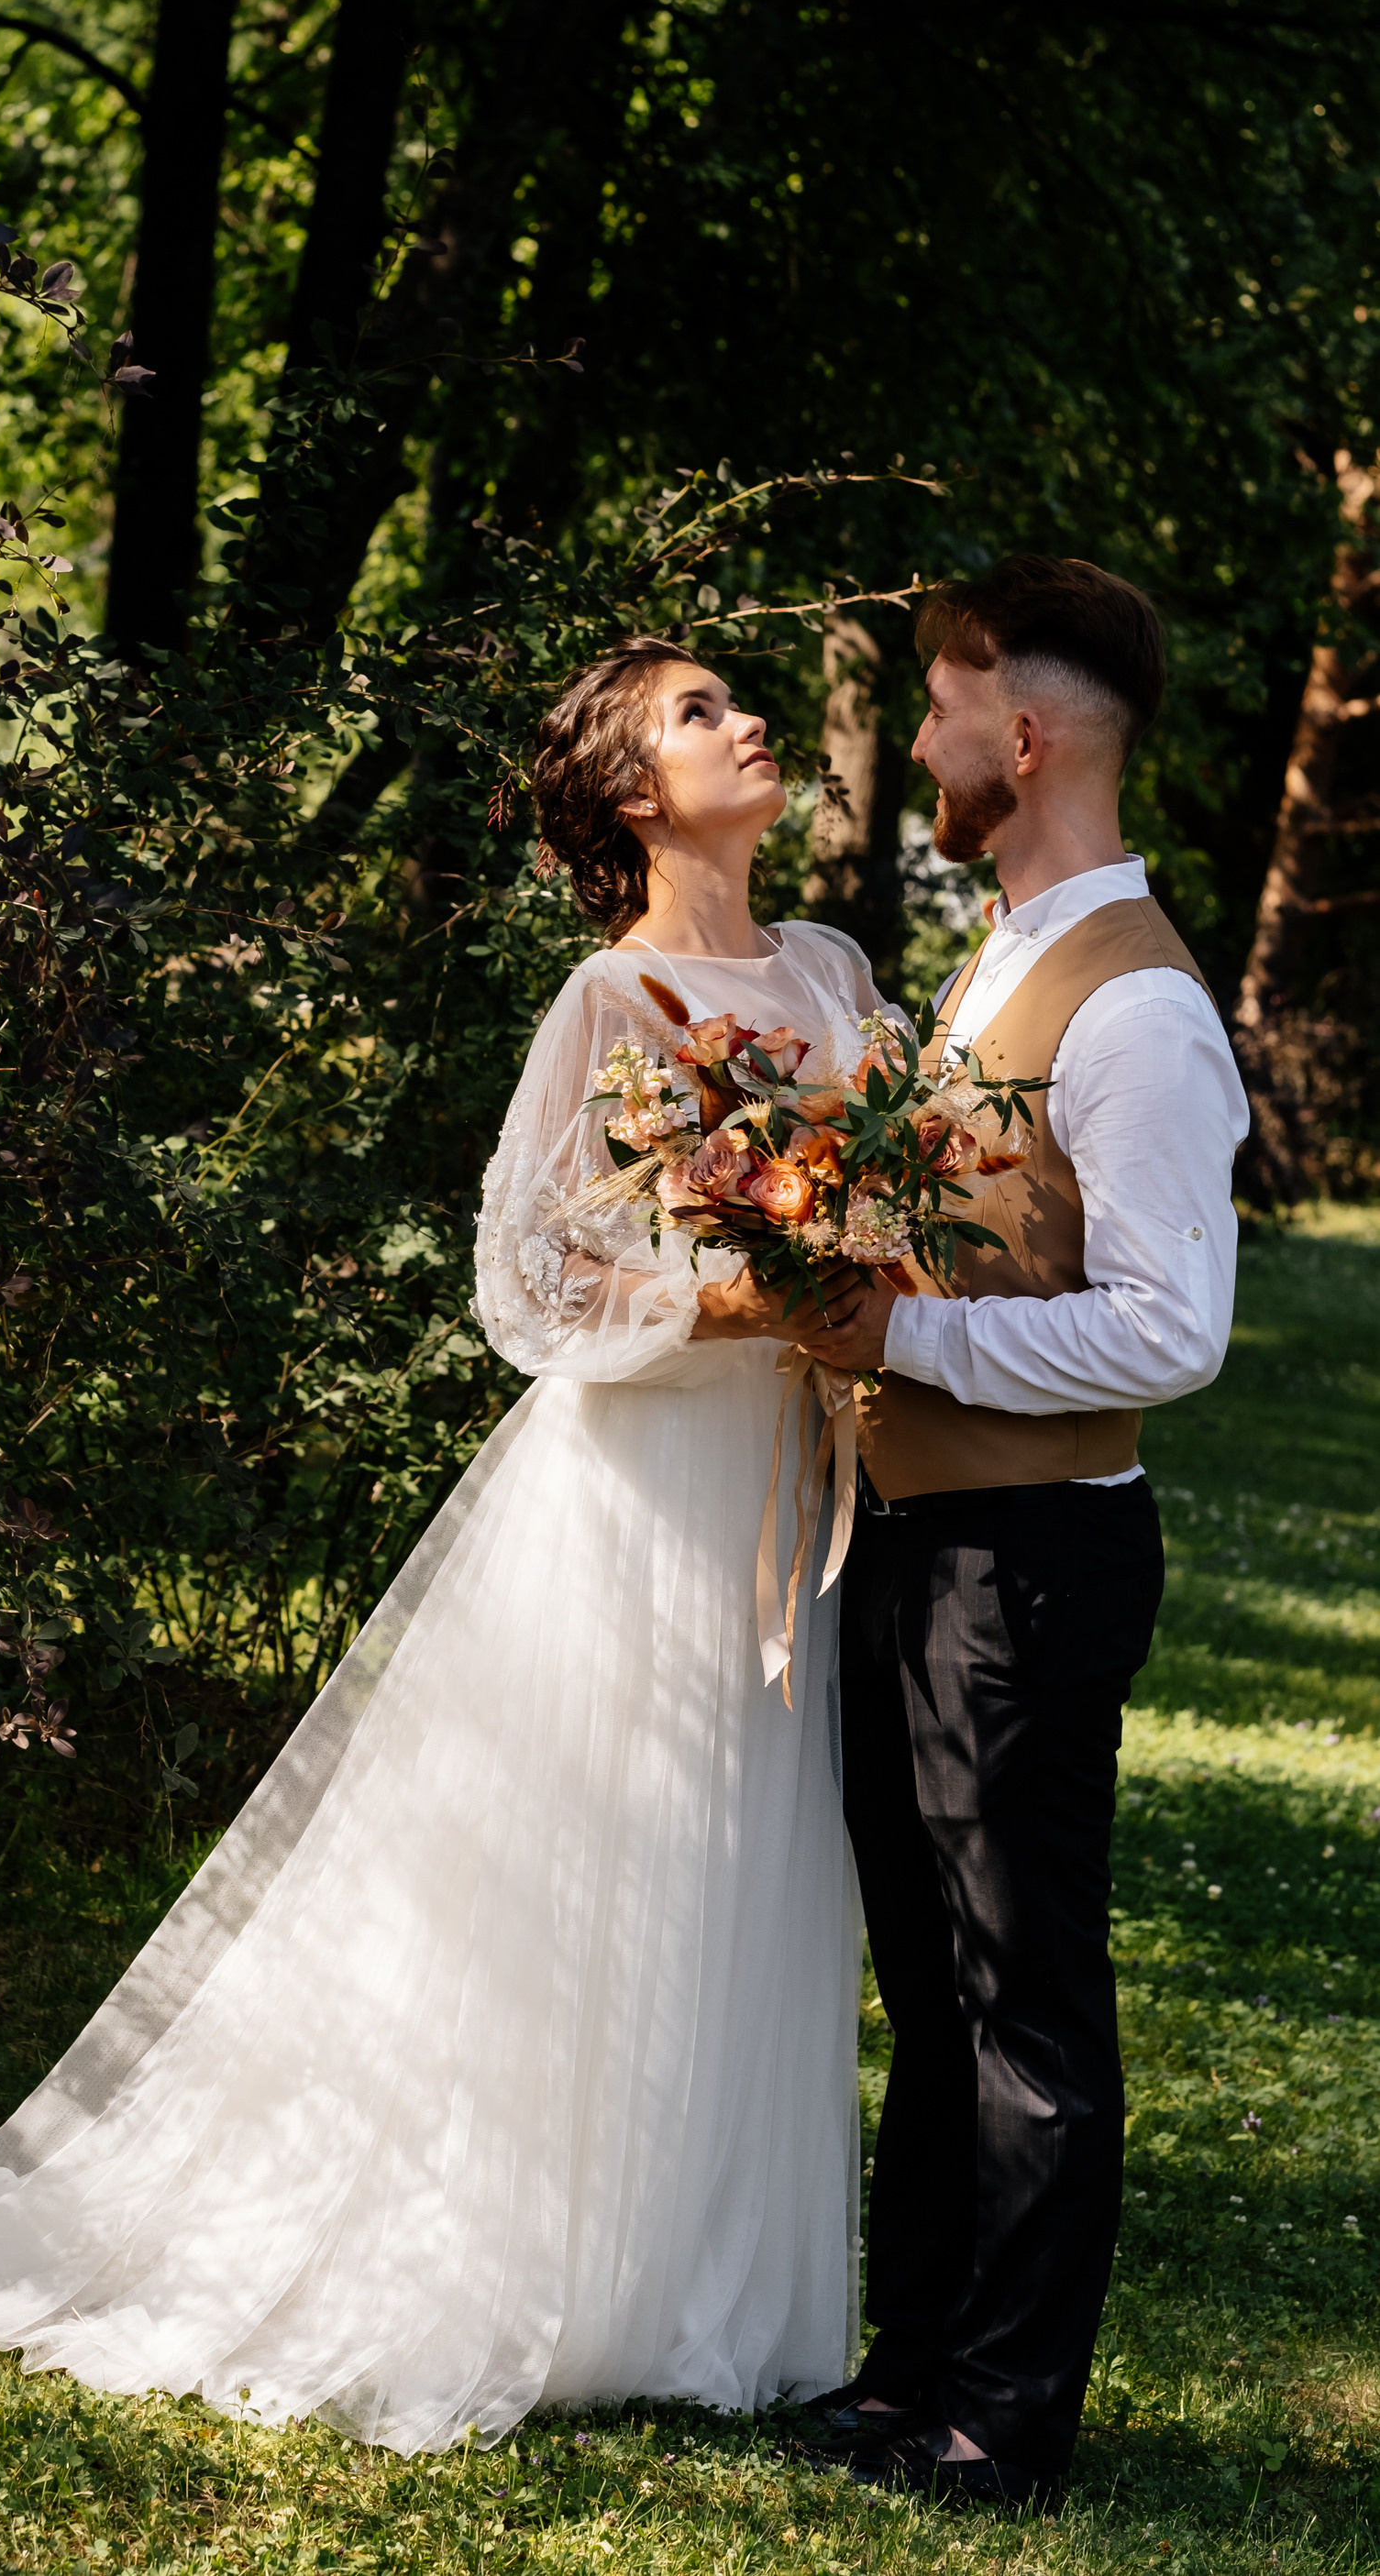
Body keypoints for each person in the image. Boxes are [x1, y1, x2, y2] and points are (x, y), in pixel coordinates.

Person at [0, 637, 889, 2451]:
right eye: (702, 713)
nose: (748, 720)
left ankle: (704, 2290)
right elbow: (530, 1281)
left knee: (745, 1860)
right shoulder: (608, 1001)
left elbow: (898, 1187)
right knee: (609, 1862)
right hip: (641, 1482)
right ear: (633, 792)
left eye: (735, 702)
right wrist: (737, 1282)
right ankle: (529, 2253)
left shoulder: (837, 974)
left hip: (788, 1473)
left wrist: (864, 1249)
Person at [794, 556, 1247, 2517]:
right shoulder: (988, 959)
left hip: (1034, 1566)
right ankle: (914, 2370)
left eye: (947, 707)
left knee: (1023, 1997)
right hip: (917, 1548)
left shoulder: (1138, 1006)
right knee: (932, 1984)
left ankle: (1005, 2415)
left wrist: (904, 1329)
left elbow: (1176, 1324)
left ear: (1028, 734)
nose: (922, 741)